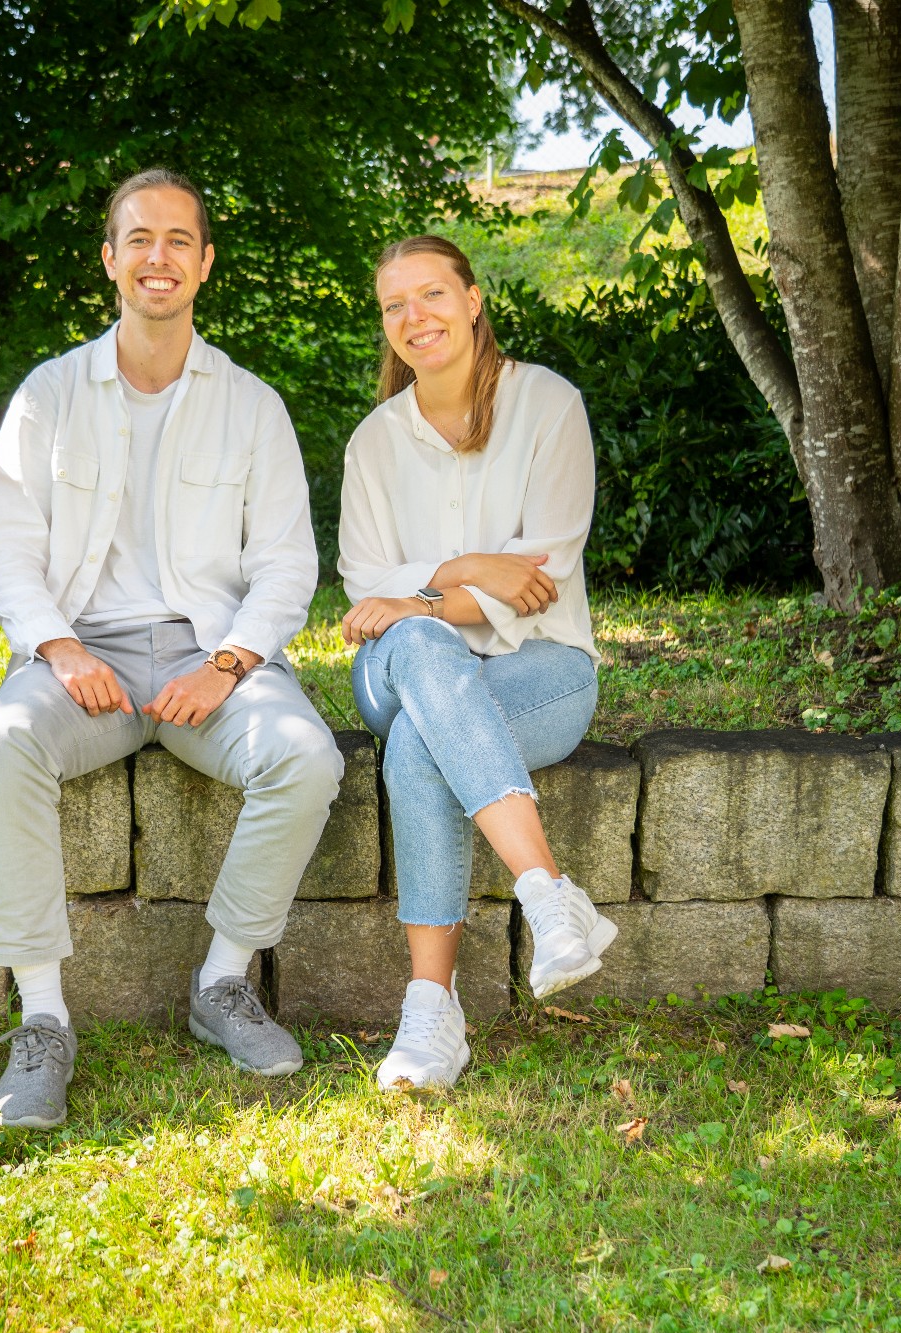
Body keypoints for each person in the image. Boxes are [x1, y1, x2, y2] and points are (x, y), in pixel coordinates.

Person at [0, 168, 344, 1129]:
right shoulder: (49, 395)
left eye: (178, 239)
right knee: (3, 742)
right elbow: (5, 551)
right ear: (110, 259)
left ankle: (222, 983)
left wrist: (226, 666)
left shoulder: (252, 404)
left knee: (305, 757)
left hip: (208, 660)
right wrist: (57, 646)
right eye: (139, 238)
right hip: (75, 659)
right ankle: (43, 1020)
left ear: (206, 263)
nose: (158, 257)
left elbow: (287, 568)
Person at [337, 234, 613, 1093]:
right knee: (420, 646)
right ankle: (546, 888)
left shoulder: (548, 405)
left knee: (424, 743)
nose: (414, 317)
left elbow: (539, 580)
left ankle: (432, 1013)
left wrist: (419, 590)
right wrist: (458, 572)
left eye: (431, 295)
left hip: (544, 669)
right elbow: (364, 593)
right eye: (395, 305)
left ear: (473, 299)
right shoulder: (374, 443)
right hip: (397, 667)